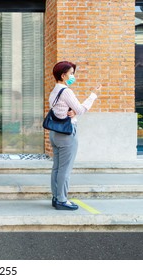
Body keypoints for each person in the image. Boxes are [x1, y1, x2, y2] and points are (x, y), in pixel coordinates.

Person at [49, 61, 101, 210]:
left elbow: (60, 111)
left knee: (57, 168)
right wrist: (93, 95)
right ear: (63, 75)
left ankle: (56, 197)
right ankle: (62, 200)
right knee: (65, 169)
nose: (73, 76)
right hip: (66, 134)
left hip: (55, 133)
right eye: (71, 73)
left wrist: (72, 111)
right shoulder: (66, 91)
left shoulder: (54, 92)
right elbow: (81, 109)